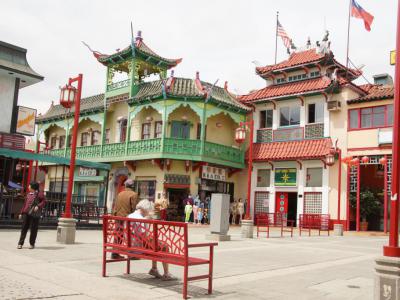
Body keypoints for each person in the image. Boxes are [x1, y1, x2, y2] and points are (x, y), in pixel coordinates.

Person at [128, 199, 176, 281]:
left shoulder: (130, 216)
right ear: (145, 209)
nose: (149, 212)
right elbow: (143, 237)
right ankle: (166, 273)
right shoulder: (141, 219)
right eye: (148, 210)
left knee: (156, 245)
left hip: (130, 245)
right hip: (138, 247)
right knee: (164, 247)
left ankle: (154, 269)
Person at [112, 179, 138, 259]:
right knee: (131, 236)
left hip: (118, 218)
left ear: (126, 186)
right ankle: (131, 254)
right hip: (128, 219)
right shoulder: (134, 194)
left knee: (118, 235)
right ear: (133, 186)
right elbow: (134, 209)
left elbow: (115, 207)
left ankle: (115, 253)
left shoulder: (120, 194)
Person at [17, 182, 46, 249]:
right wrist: (21, 213)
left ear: (33, 187)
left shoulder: (39, 194)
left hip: (34, 214)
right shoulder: (28, 194)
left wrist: (38, 206)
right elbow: (25, 204)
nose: (28, 186)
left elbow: (44, 201)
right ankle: (20, 243)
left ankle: (32, 244)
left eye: (29, 185)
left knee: (33, 230)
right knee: (24, 229)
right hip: (26, 213)